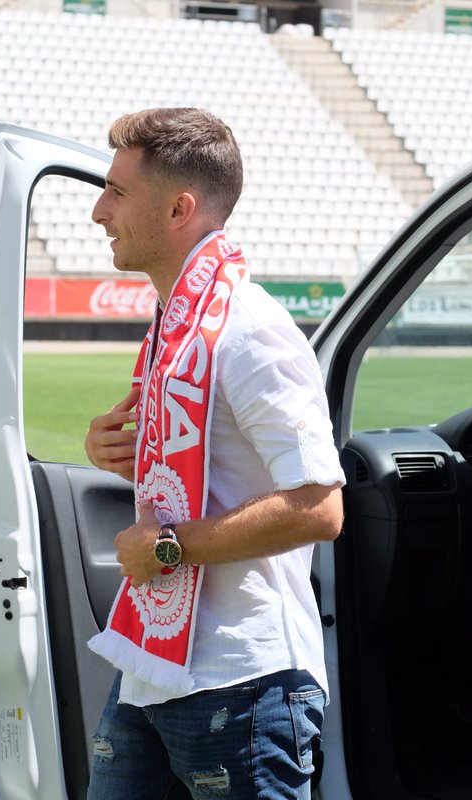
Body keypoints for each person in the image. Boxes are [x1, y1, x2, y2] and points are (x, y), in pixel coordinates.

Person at [83, 107, 345, 800]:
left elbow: (320, 507)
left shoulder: (251, 329)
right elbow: (203, 466)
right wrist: (120, 450)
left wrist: (167, 547)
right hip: (153, 664)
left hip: (244, 683)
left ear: (178, 207)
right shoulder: (178, 324)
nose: (97, 211)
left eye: (116, 191)